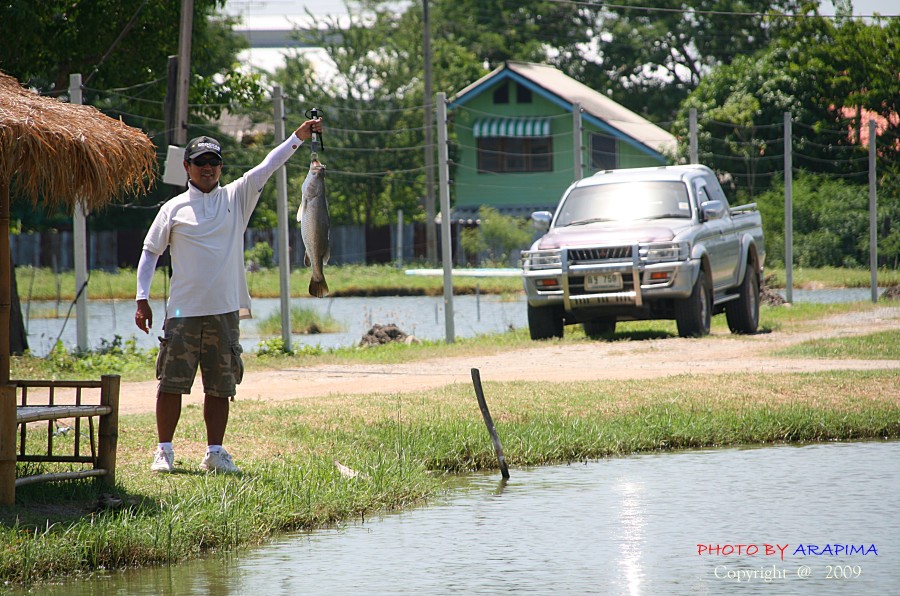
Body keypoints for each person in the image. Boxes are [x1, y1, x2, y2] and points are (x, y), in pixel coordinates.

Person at [135, 119, 322, 474]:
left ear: (221, 167)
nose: (207, 168)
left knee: (220, 387)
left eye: (214, 163)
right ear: (187, 167)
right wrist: (141, 298)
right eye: (200, 162)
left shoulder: (237, 196)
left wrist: (299, 137)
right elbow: (150, 253)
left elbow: (269, 164)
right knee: (171, 383)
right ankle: (164, 450)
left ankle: (215, 452)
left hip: (224, 311)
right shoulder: (173, 208)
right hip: (182, 312)